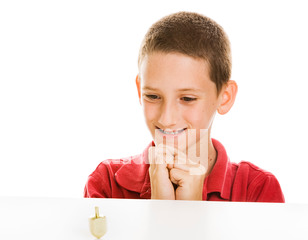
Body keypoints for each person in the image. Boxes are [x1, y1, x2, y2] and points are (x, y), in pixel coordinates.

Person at [84, 11, 285, 202]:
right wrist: (160, 210)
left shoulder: (258, 190)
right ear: (139, 90)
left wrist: (191, 213)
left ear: (224, 97)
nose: (166, 118)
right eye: (153, 96)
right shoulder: (107, 183)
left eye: (187, 99)